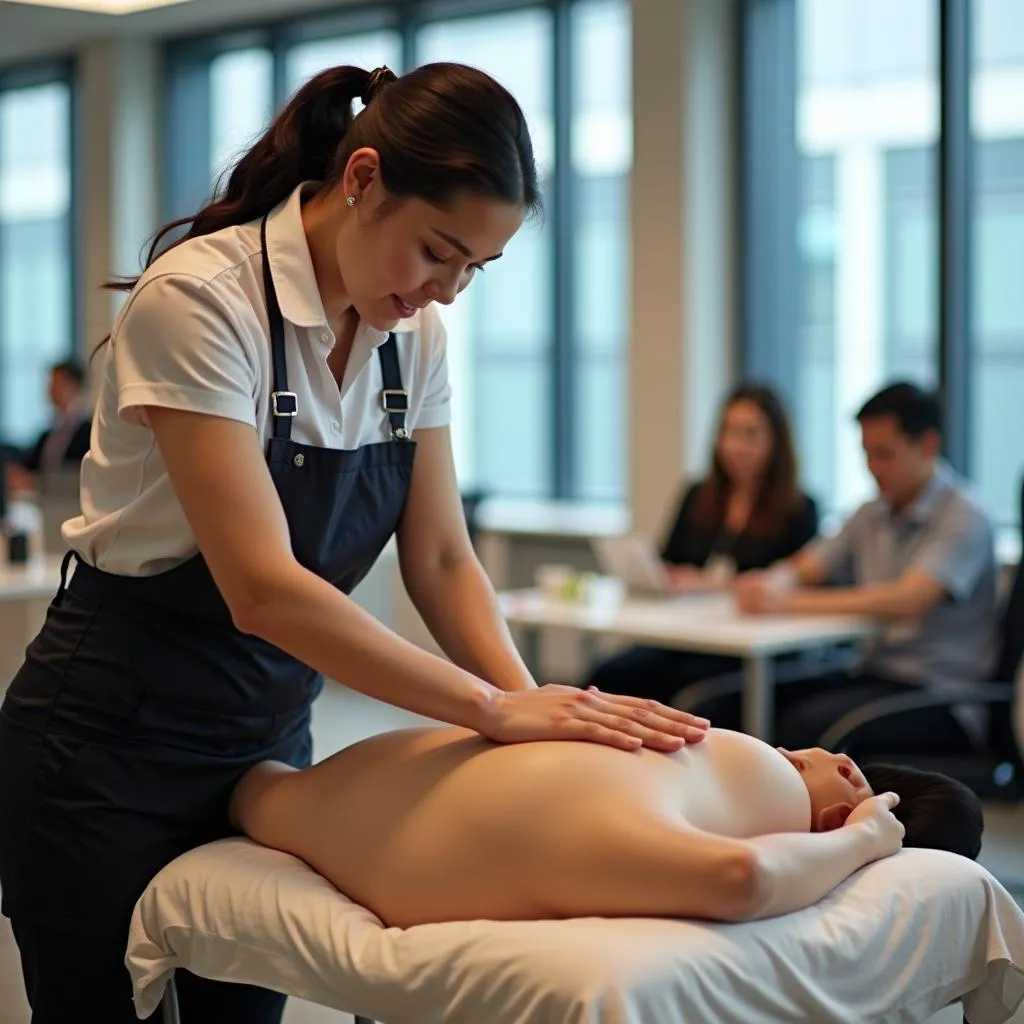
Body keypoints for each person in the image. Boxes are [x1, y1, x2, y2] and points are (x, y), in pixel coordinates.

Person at [0, 64, 708, 1024]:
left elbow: (444, 560)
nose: (447, 292)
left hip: (266, 750)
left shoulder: (410, 339)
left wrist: (541, 707)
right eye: (437, 252)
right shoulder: (205, 301)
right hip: (105, 749)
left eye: (475, 270)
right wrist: (493, 709)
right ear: (363, 178)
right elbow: (264, 589)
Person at [231, 725, 982, 930]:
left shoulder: (768, 795)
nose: (807, 752)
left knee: (265, 792)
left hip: (307, 794)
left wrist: (862, 842)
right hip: (312, 802)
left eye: (829, 758)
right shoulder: (710, 781)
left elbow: (744, 878)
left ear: (851, 793)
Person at [731, 381, 998, 755]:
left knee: (805, 726)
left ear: (928, 446)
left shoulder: (965, 515)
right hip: (874, 674)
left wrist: (786, 602)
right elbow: (809, 564)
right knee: (741, 704)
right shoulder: (871, 511)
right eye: (867, 454)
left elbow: (908, 599)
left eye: (885, 455)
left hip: (942, 696)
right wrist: (770, 582)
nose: (873, 468)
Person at [588, 383, 818, 705]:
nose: (736, 446)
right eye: (729, 432)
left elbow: (790, 583)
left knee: (688, 695)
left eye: (750, 434)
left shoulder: (799, 508)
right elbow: (667, 558)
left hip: (743, 648)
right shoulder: (699, 495)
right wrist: (668, 576)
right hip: (689, 635)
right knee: (608, 677)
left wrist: (712, 584)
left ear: (776, 442)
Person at [3, 358, 91, 497]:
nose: (50, 390)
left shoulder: (89, 431)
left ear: (74, 386)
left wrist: (37, 482)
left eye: (57, 383)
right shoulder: (49, 434)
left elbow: (80, 475)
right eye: (50, 384)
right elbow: (30, 463)